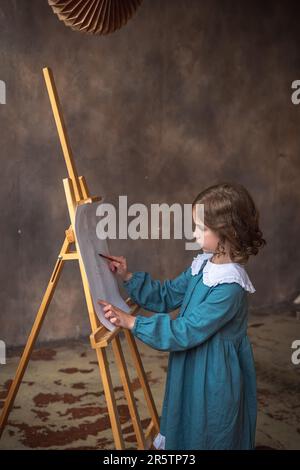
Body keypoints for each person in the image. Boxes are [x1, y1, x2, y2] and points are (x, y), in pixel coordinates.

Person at [98, 182, 266, 450]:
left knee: (210, 428)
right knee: (187, 420)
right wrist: (126, 276)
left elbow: (186, 330)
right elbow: (167, 295)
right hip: (191, 363)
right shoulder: (203, 265)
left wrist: (132, 322)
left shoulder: (231, 287)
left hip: (215, 374)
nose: (194, 232)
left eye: (201, 228)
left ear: (227, 233)